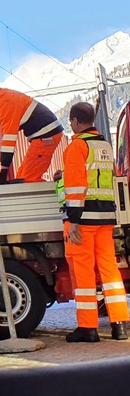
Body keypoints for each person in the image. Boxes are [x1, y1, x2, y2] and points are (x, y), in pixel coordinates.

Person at [57, 101, 128, 342]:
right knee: (109, 269)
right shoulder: (105, 145)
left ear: (75, 121)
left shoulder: (77, 147)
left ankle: (88, 328)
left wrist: (73, 222)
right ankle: (120, 324)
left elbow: (76, 187)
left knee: (84, 271)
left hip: (84, 220)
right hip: (106, 218)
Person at [0, 76, 64, 184]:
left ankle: (55, 195)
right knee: (22, 177)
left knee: (29, 179)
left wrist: (4, 171)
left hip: (46, 136)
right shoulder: (1, 98)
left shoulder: (4, 101)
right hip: (45, 134)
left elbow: (9, 139)